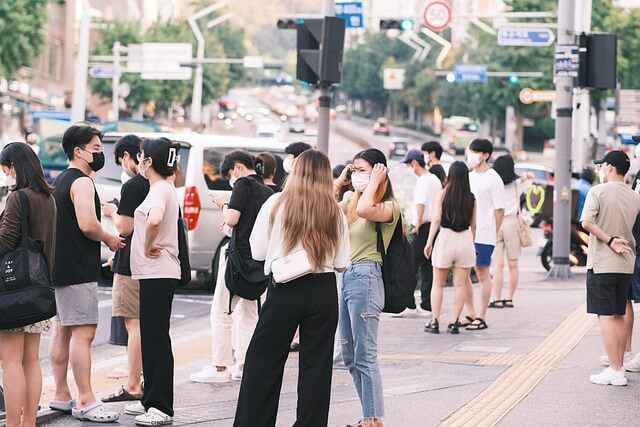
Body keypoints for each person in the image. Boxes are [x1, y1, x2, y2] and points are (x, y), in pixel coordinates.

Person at [234, 149, 350, 426]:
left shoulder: (276, 203)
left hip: (284, 287)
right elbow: (342, 264)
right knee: (316, 367)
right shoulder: (334, 210)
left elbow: (258, 250)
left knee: (264, 360)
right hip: (322, 290)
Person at [48, 124, 123, 423]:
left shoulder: (60, 180)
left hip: (59, 265)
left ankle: (62, 394)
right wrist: (109, 238)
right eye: (95, 149)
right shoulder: (82, 183)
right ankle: (87, 400)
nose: (99, 153)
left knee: (62, 329)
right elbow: (87, 224)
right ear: (78, 151)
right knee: (84, 333)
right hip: (78, 267)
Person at [191, 151, 273, 384]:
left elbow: (233, 219)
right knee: (250, 316)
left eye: (229, 173)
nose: (230, 178)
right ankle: (243, 365)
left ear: (237, 167)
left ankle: (219, 368)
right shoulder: (267, 191)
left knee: (221, 313)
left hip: (237, 262)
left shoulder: (242, 185)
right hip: (258, 264)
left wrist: (224, 204)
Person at [334, 148, 400, 427]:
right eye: (354, 170)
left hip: (368, 278)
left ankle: (372, 419)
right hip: (346, 276)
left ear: (378, 171)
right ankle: (369, 417)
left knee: (366, 353)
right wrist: (340, 182)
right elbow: (323, 209)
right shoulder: (350, 198)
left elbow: (364, 210)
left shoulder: (389, 207)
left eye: (361, 170)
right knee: (349, 354)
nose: (356, 176)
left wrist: (372, 183)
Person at [124, 137, 182, 425]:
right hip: (156, 274)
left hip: (158, 272)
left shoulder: (159, 189)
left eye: (142, 156)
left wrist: (147, 245)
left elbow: (155, 220)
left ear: (148, 162)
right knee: (153, 336)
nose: (140, 160)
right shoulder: (163, 188)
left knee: (156, 339)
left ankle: (161, 406)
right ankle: (151, 400)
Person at [0, 142, 56, 427]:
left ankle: (12, 424)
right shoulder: (47, 197)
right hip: (38, 290)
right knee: (31, 360)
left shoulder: (18, 198)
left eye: (6, 169)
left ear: (14, 167)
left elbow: (7, 241)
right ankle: (29, 422)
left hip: (12, 292)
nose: (6, 175)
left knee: (10, 361)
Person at [580, 150, 640, 386]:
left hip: (603, 262)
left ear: (610, 167)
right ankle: (619, 366)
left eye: (603, 166)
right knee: (618, 314)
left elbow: (586, 223)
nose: (601, 170)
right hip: (627, 263)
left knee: (605, 316)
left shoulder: (598, 191)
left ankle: (615, 370)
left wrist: (609, 239)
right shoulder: (635, 196)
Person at [101, 135, 148, 404]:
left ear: (129, 157)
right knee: (143, 324)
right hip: (147, 264)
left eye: (122, 161)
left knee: (133, 324)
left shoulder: (133, 186)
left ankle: (133, 383)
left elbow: (125, 228)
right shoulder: (157, 184)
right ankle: (140, 378)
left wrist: (111, 213)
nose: (123, 166)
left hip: (130, 264)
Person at [424, 161, 476, 334]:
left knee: (438, 284)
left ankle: (435, 321)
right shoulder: (471, 197)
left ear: (450, 175)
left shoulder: (443, 195)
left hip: (446, 238)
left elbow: (437, 220)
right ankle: (454, 322)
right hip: (465, 240)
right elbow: (474, 225)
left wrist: (429, 241)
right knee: (460, 284)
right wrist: (472, 243)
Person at [462, 139, 505, 331]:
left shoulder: (493, 178)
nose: (471, 155)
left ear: (486, 155)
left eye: (475, 152)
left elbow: (500, 209)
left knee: (482, 273)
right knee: (462, 274)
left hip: (484, 234)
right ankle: (470, 312)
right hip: (466, 233)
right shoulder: (469, 177)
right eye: (470, 151)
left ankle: (482, 315)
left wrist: (492, 232)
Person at [396, 149, 442, 316]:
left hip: (423, 227)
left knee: (409, 265)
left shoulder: (423, 180)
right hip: (435, 228)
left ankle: (409, 305)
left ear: (414, 163)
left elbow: (420, 203)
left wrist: (418, 223)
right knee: (428, 267)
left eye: (409, 165)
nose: (410, 168)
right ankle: (427, 305)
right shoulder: (435, 180)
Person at [489, 155, 533, 308]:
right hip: (511, 223)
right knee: (513, 264)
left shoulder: (494, 184)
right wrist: (523, 176)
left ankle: (497, 298)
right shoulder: (517, 184)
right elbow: (530, 178)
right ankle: (509, 298)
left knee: (498, 265)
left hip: (496, 222)